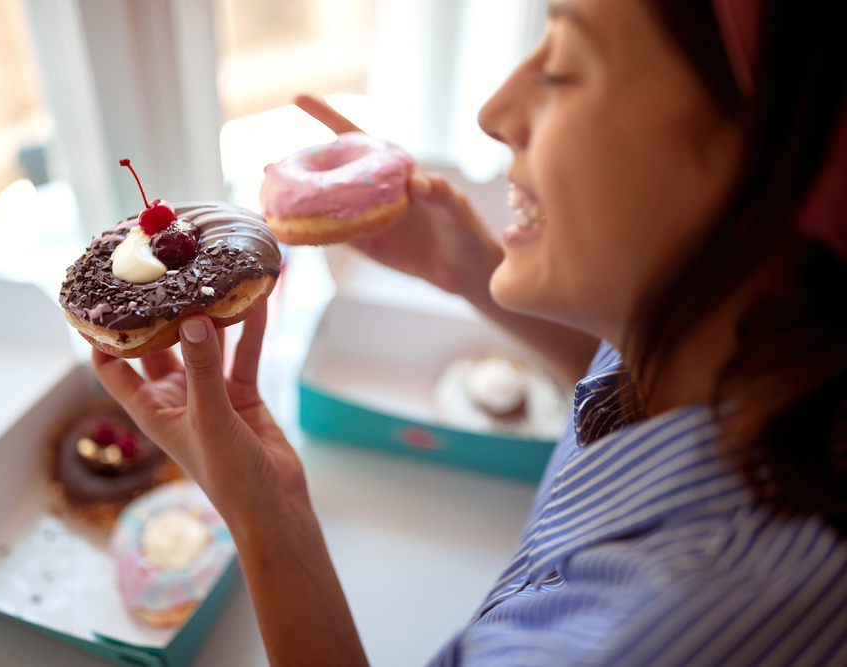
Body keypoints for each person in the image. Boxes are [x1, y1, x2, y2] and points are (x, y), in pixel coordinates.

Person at [92, 0, 847, 664]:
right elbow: (641, 384)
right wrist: (469, 268)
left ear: (771, 163)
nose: (494, 111)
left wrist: (266, 514)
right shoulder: (721, 341)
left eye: (565, 65)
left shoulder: (664, 631)